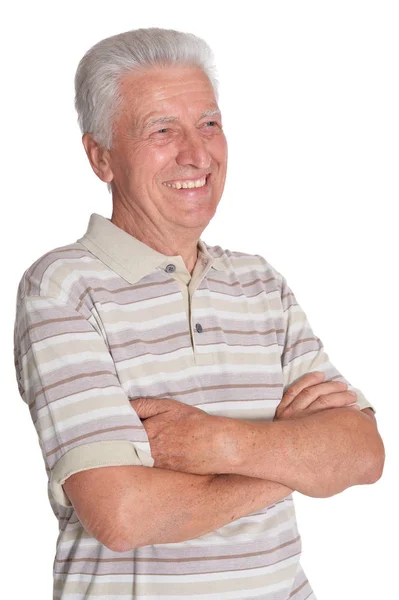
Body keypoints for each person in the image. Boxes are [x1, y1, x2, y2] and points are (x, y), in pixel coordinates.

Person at [13, 27, 384, 600]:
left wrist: (219, 442)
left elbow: (363, 452)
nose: (198, 152)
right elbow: (123, 513)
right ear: (100, 157)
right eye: (162, 130)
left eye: (209, 124)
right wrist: (295, 457)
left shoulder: (260, 283)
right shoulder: (61, 288)